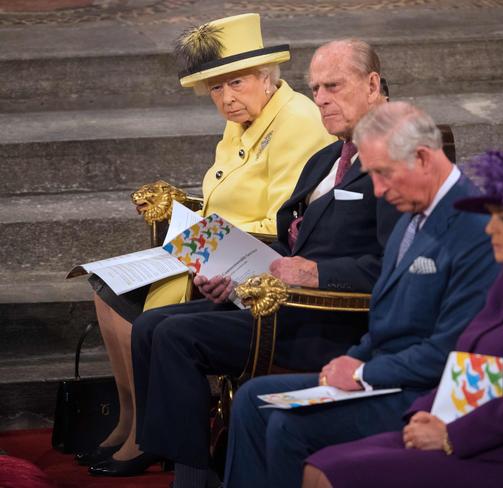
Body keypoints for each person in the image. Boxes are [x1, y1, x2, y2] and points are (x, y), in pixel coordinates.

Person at [125, 39, 402, 486]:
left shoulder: (396, 157)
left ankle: (194, 478)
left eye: (334, 86)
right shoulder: (328, 157)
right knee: (150, 326)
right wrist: (232, 274)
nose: (322, 100)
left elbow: (397, 265)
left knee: (176, 335)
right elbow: (293, 242)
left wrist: (316, 272)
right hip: (278, 298)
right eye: (316, 89)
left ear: (372, 85)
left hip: (327, 318)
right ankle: (186, 459)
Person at [78, 13, 334, 473]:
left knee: (144, 314)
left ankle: (148, 439)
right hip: (212, 246)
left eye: (236, 83)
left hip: (250, 262)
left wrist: (199, 238)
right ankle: (131, 418)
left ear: (265, 77)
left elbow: (284, 219)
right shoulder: (245, 119)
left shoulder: (297, 120)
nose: (226, 98)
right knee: (105, 287)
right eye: (216, 88)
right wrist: (187, 218)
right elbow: (224, 194)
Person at [224, 102, 501, 488]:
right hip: (383, 376)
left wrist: (362, 372)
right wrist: (350, 361)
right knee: (252, 400)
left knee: (288, 424)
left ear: (422, 158)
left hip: (424, 394)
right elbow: (385, 321)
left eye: (383, 174)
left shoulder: (475, 229)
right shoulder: (410, 212)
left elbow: (451, 350)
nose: (379, 190)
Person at [303, 150, 503, 488]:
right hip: (463, 432)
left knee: (336, 474)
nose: (489, 228)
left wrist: (450, 435)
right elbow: (463, 359)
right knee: (320, 465)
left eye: (502, 219)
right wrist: (425, 413)